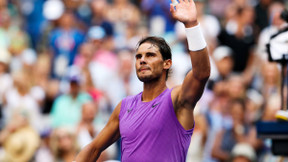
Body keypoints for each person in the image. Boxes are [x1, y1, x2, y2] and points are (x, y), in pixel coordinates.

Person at [75, 0, 210, 161]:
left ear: (167, 63)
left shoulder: (176, 99)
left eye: (150, 55)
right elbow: (94, 148)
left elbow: (201, 74)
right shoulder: (124, 107)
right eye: (139, 56)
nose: (142, 60)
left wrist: (191, 24)